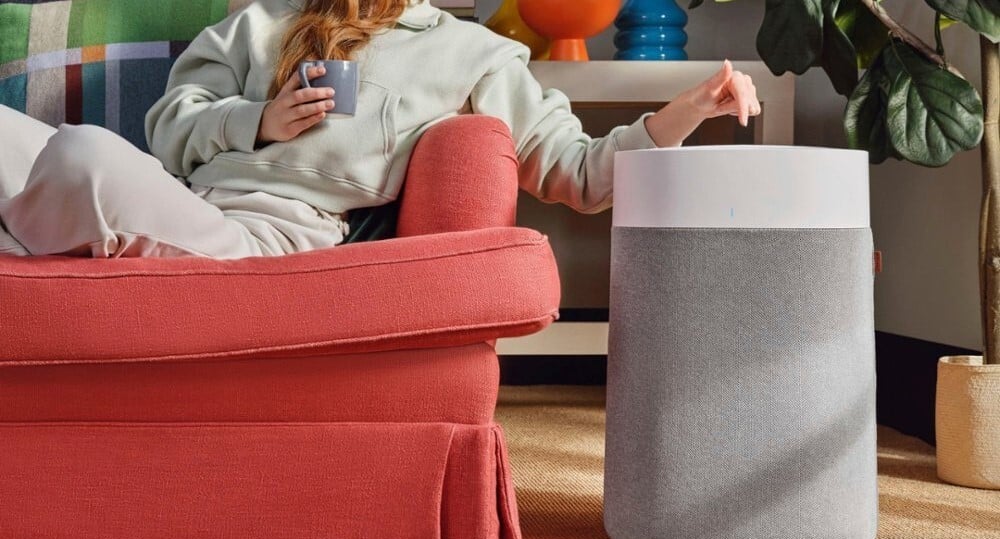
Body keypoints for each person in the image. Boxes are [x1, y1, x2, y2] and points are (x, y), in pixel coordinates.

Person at [0, 0, 759, 259]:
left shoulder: (473, 53)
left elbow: (580, 173)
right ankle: (38, 240)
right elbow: (165, 130)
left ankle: (27, 242)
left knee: (83, 155)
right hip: (181, 199)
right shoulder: (257, 25)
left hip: (276, 243)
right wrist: (255, 120)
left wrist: (685, 111)